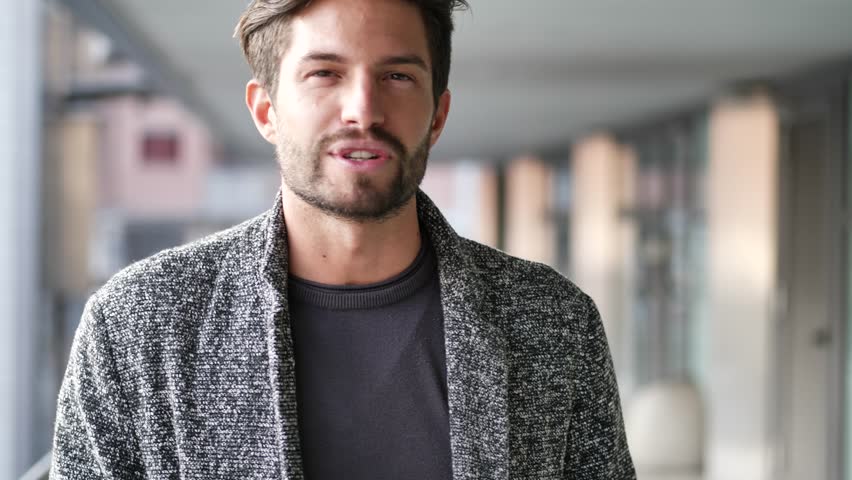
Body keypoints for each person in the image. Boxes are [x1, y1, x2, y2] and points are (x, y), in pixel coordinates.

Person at [51, 0, 636, 478]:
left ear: (437, 114)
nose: (363, 109)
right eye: (324, 73)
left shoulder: (552, 320)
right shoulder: (138, 324)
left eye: (398, 76)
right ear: (266, 110)